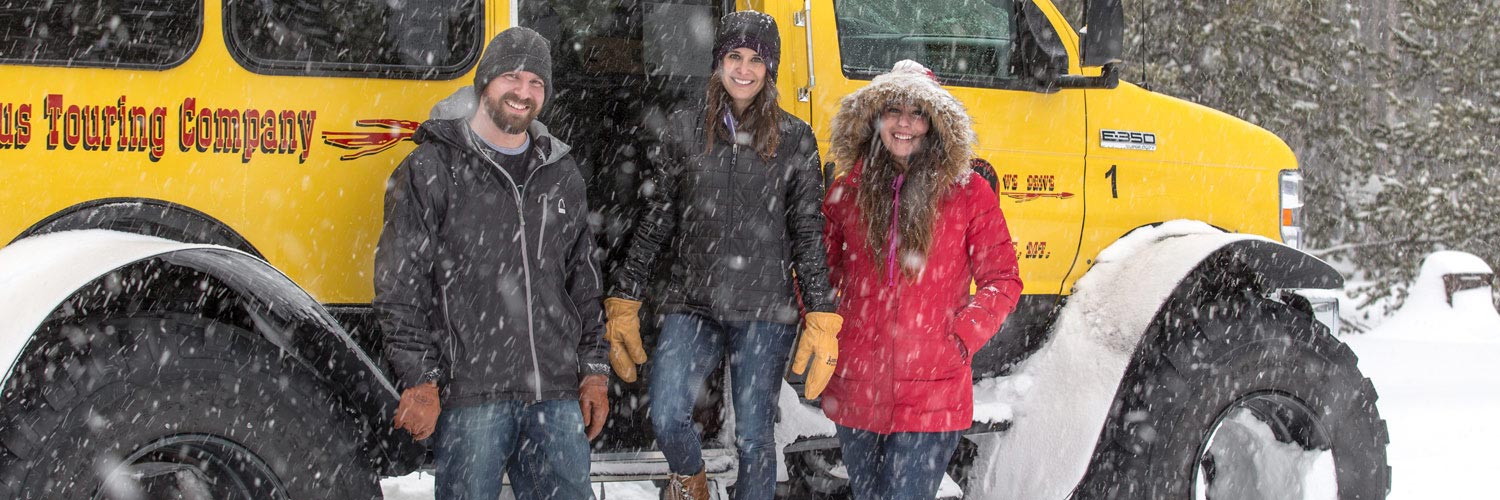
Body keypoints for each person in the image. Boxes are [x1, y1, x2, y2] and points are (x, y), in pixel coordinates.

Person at [602, 10, 842, 500]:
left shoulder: (795, 138)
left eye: (756, 59)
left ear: (770, 68)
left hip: (764, 310)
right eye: (735, 56)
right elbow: (657, 219)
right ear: (718, 61)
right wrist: (626, 294)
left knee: (754, 438)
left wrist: (820, 311)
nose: (744, 69)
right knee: (667, 412)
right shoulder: (685, 128)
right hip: (693, 301)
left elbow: (807, 232)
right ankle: (690, 480)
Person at [374, 26, 611, 500]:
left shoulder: (560, 172)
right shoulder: (432, 167)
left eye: (536, 83)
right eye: (512, 77)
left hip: (554, 396)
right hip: (471, 397)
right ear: (485, 82)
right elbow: (400, 284)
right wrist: (421, 381)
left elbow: (582, 281)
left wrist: (594, 370)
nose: (523, 92)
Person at [820, 60, 1023, 500]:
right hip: (858, 388)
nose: (904, 124)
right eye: (894, 111)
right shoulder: (846, 190)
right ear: (876, 119)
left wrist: (960, 338)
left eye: (917, 113)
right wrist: (829, 327)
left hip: (935, 391)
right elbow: (819, 271)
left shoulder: (969, 192)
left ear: (934, 124)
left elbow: (1003, 279)